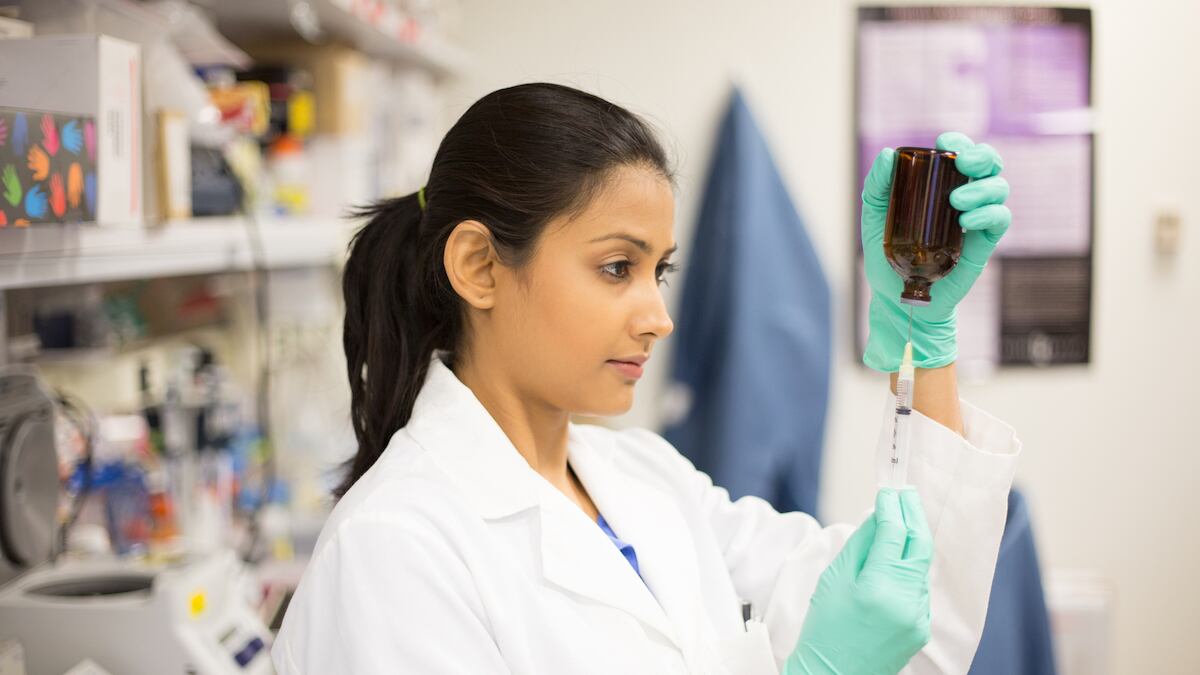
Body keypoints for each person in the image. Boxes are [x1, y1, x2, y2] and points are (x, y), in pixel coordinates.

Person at [272, 82, 1019, 674]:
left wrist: (925, 343)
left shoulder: (645, 478)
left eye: (658, 270)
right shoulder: (395, 548)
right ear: (478, 266)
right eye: (616, 267)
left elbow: (905, 613)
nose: (659, 316)